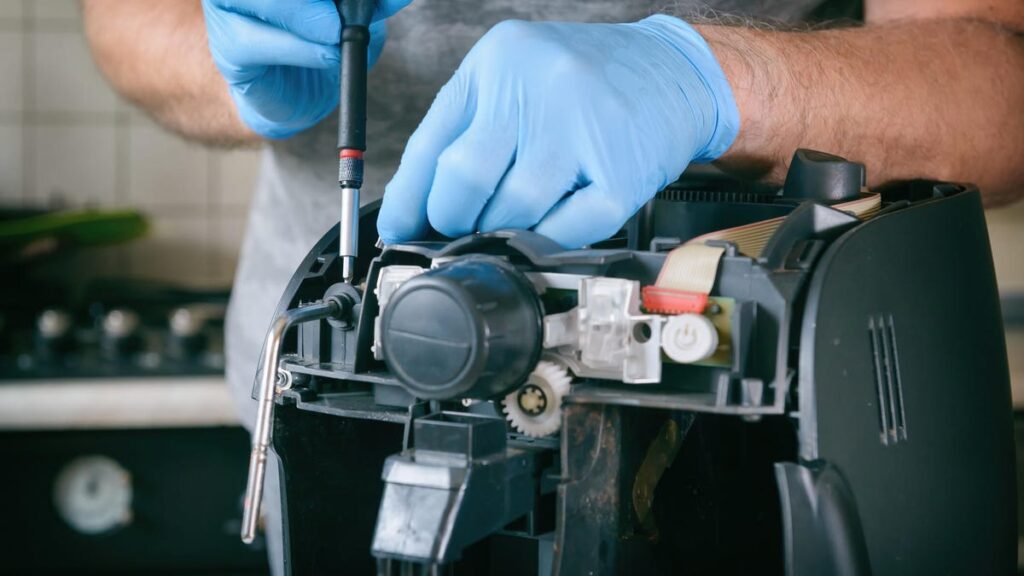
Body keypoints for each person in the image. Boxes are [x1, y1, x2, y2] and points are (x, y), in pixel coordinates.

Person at [82, 0, 1024, 571]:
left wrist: (714, 80)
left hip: (737, 439)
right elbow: (125, 22)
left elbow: (997, 86)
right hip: (336, 418)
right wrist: (232, 46)